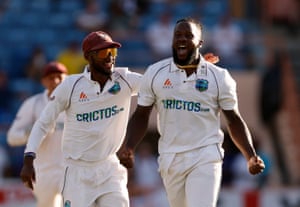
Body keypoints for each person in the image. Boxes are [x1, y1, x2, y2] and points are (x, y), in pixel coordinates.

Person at [119, 17, 265, 207]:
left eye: (189, 36)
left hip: (205, 155)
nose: (182, 39)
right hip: (170, 157)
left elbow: (233, 120)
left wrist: (250, 156)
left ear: (200, 43)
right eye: (177, 35)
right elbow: (141, 114)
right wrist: (129, 146)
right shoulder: (155, 72)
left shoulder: (219, 77)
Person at [20, 31, 142, 207]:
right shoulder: (70, 86)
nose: (110, 58)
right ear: (88, 57)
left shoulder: (124, 80)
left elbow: (156, 86)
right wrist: (29, 158)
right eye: (103, 53)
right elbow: (43, 123)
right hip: (76, 171)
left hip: (109, 168)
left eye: (112, 52)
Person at [7, 61, 68, 207]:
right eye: (51, 77)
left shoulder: (75, 104)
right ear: (43, 81)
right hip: (42, 171)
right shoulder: (33, 104)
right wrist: (34, 131)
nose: (56, 81)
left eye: (59, 76)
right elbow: (12, 137)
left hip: (69, 170)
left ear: (68, 78)